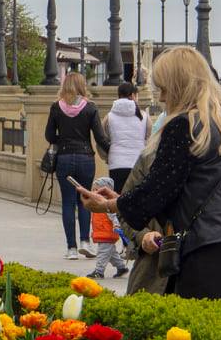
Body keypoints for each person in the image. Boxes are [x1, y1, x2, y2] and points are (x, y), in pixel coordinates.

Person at [74, 47, 221, 302]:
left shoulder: (183, 125)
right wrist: (121, 199)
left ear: (178, 86)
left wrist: (109, 204)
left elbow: (156, 192)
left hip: (209, 249)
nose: (161, 97)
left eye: (163, 87)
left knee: (185, 336)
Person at [45, 71, 112, 260]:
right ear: (82, 86)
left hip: (64, 158)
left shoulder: (56, 108)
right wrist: (113, 150)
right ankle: (85, 242)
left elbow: (49, 136)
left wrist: (63, 139)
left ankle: (71, 249)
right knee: (85, 200)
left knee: (68, 202)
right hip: (85, 158)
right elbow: (100, 137)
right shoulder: (90, 108)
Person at [105, 81, 147, 192]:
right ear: (133, 95)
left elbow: (103, 140)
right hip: (138, 164)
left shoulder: (109, 117)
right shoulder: (144, 116)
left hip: (116, 164)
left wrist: (108, 156)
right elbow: (148, 142)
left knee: (117, 200)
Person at [86, 175, 129, 280]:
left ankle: (99, 271)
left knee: (102, 253)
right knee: (111, 254)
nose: (94, 192)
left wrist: (116, 225)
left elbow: (114, 216)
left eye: (97, 189)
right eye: (93, 189)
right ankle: (121, 267)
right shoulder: (98, 204)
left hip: (107, 234)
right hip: (102, 233)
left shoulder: (107, 205)